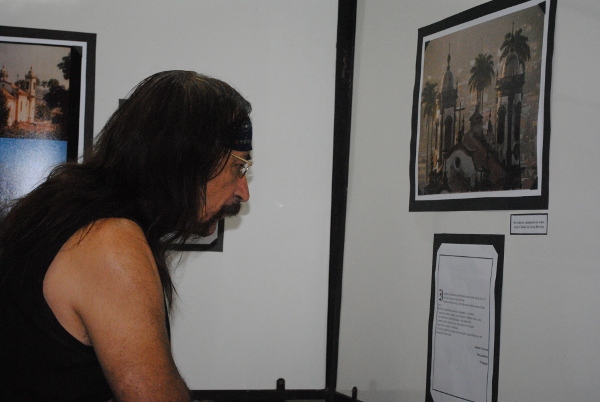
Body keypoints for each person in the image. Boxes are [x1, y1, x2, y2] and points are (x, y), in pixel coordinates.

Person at [0, 70, 253, 401]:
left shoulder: (64, 208)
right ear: (187, 161)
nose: (243, 191)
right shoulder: (109, 240)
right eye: (239, 167)